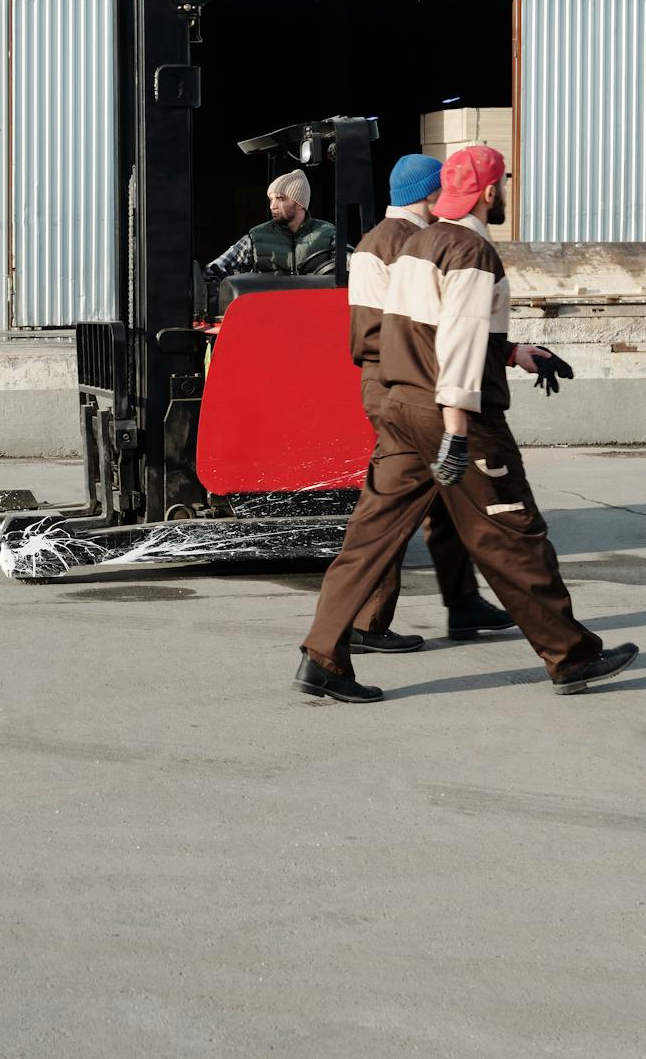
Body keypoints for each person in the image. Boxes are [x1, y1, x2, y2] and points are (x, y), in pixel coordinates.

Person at [294, 144, 638, 702]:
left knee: (370, 536)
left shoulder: (420, 245)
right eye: (501, 182)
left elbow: (420, 332)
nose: (503, 191)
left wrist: (512, 353)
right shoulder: (471, 250)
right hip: (450, 414)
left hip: (403, 407)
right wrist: (456, 427)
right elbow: (454, 342)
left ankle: (322, 655)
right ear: (486, 190)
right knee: (510, 531)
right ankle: (571, 658)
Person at [345, 152, 517, 654]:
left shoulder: (384, 237)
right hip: (408, 382)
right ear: (430, 193)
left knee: (443, 498)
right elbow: (428, 328)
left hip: (399, 379)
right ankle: (366, 620)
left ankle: (462, 603)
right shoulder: (410, 243)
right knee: (396, 509)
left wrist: (505, 351)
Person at [205, 168, 336, 310]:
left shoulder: (328, 233)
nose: (272, 206)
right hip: (267, 315)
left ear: (299, 204)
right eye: (271, 199)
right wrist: (233, 277)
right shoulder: (257, 236)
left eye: (280, 199)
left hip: (317, 313)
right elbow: (213, 268)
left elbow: (355, 267)